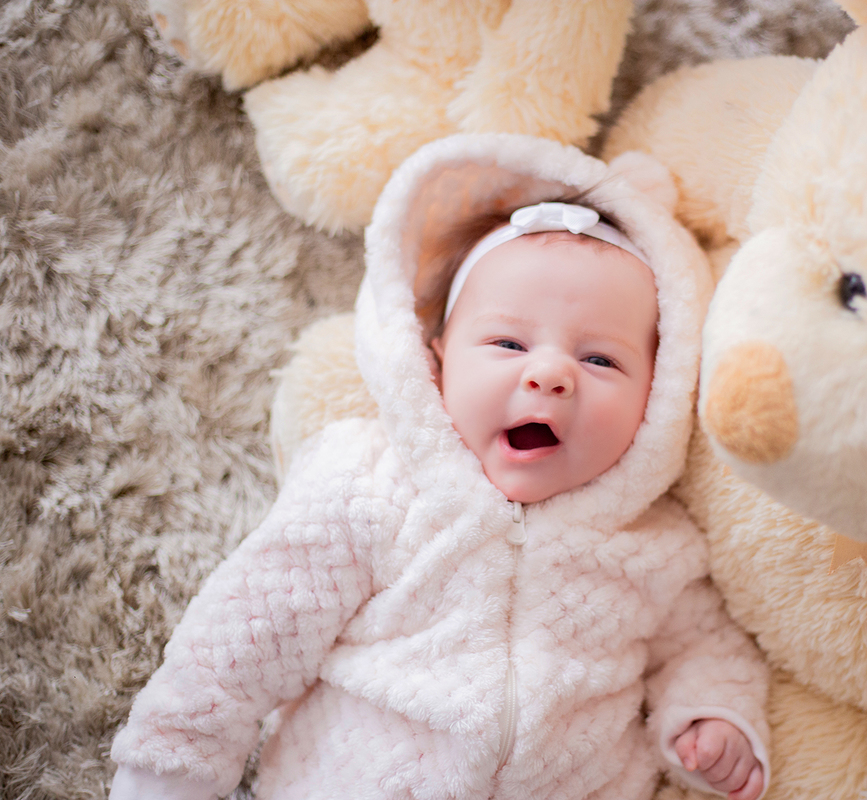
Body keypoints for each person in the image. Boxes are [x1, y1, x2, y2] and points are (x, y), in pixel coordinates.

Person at [108, 135, 770, 800]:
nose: (549, 374)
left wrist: (713, 718)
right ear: (435, 361)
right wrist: (169, 772)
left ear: (658, 399)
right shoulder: (367, 486)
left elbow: (703, 646)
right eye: (508, 343)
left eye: (601, 360)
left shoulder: (656, 544)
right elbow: (240, 644)